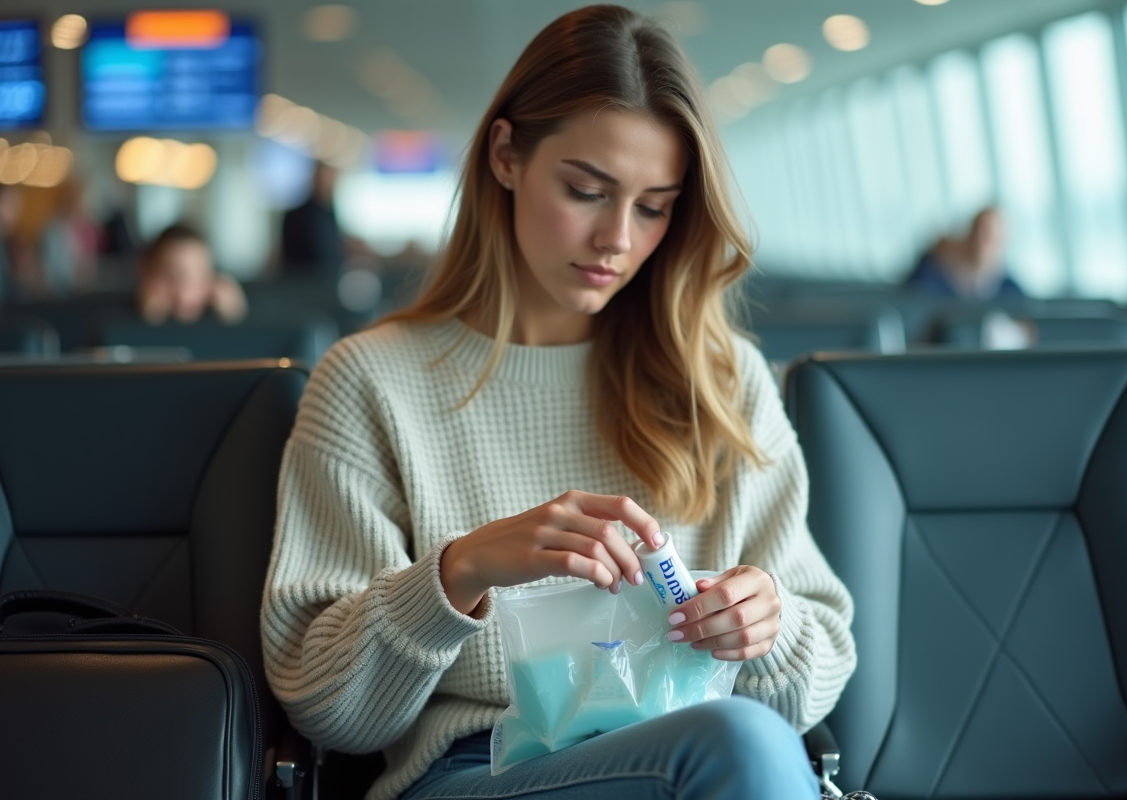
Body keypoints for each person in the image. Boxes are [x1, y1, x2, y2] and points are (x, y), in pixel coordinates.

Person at [260, 7, 856, 800]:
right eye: (586, 190)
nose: (617, 237)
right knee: (738, 747)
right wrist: (460, 571)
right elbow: (325, 704)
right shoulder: (372, 382)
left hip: (705, 756)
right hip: (479, 770)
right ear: (506, 156)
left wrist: (766, 629)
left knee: (740, 743)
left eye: (653, 206)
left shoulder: (723, 380)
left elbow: (812, 680)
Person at [136, 223, 247, 325]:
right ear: (146, 271)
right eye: (172, 277)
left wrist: (234, 314)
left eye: (200, 276)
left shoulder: (223, 307)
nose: (185, 292)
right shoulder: (123, 317)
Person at [907, 207, 1025, 299]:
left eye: (989, 237)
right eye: (977, 231)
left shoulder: (1007, 287)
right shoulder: (931, 271)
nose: (980, 241)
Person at [279, 161, 346, 279]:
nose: (330, 182)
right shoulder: (296, 216)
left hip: (329, 282)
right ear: (315, 177)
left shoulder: (329, 214)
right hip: (305, 285)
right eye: (325, 176)